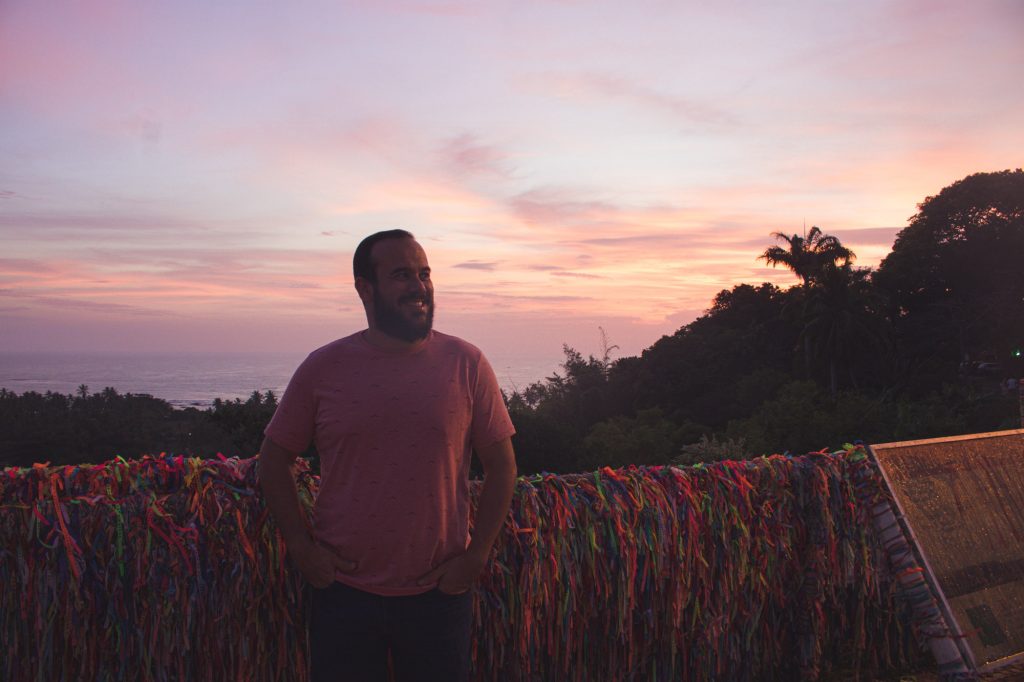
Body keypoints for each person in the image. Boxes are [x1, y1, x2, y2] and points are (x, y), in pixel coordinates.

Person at [259, 229, 517, 682]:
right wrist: (301, 548)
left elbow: (502, 466)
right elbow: (274, 458)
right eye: (401, 275)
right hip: (343, 594)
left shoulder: (466, 363)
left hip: (439, 595)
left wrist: (476, 558)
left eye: (424, 273)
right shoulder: (323, 367)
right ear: (365, 287)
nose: (419, 286)